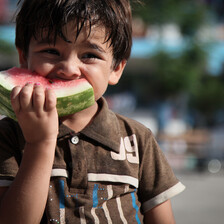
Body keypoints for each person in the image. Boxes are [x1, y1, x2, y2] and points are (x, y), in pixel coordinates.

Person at [0, 0, 185, 223]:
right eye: (51, 51)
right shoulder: (8, 134)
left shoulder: (138, 139)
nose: (68, 68)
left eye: (89, 55)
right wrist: (39, 144)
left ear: (116, 69)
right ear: (23, 58)